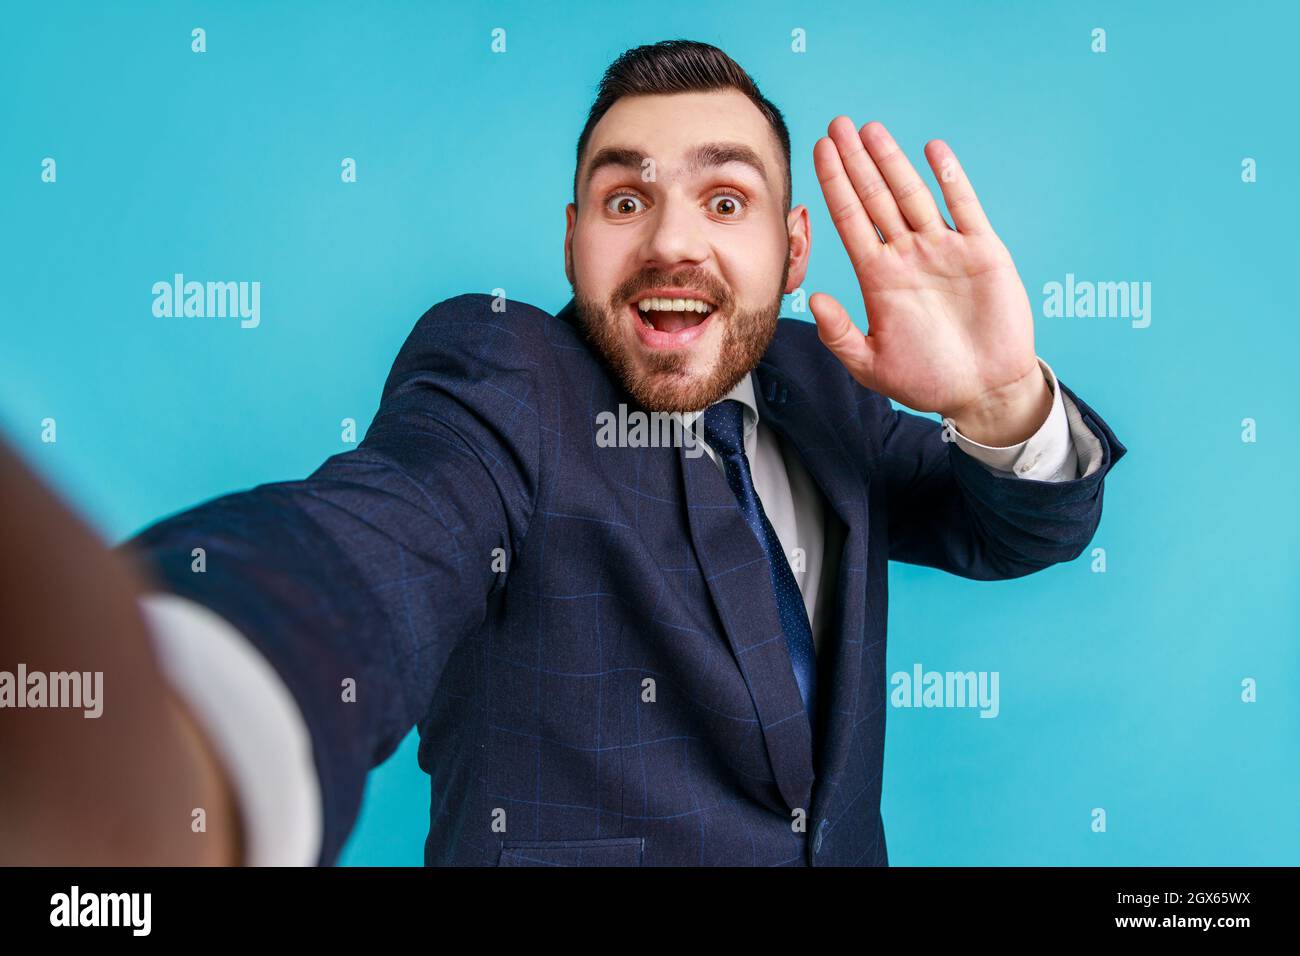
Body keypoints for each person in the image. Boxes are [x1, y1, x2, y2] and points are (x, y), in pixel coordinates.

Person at [0, 40, 1126, 867]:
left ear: (791, 254)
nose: (671, 241)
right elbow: (388, 531)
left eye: (724, 199)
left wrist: (999, 399)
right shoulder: (506, 376)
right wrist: (180, 717)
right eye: (624, 197)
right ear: (572, 240)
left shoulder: (829, 379)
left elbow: (1014, 524)